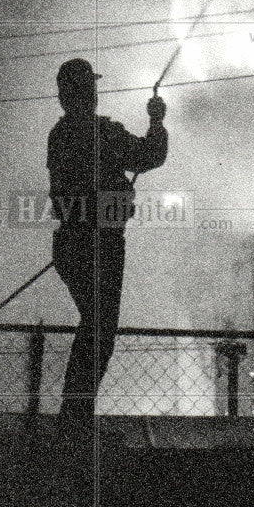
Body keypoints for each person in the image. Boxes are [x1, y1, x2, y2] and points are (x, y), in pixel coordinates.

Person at [47, 58, 168, 431]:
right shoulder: (103, 134)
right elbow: (151, 155)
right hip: (102, 246)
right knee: (101, 328)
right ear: (89, 93)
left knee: (94, 324)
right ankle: (76, 415)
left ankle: (76, 412)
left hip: (70, 244)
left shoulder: (59, 135)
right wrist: (156, 120)